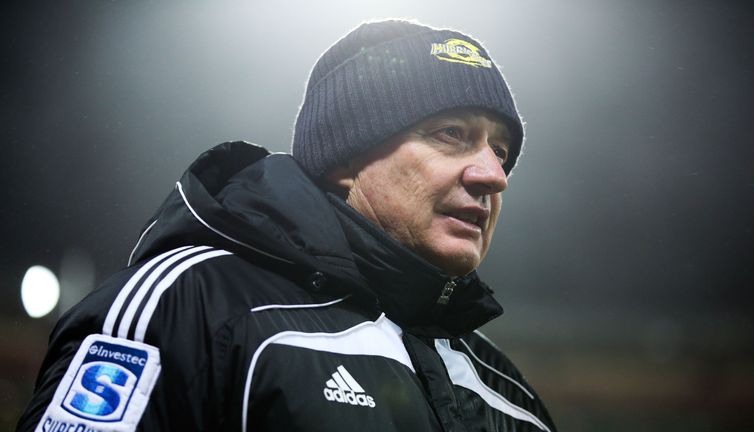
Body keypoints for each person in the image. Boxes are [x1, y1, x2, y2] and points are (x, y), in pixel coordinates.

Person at [17, 19, 557, 431]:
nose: (493, 175)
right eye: (450, 134)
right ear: (346, 159)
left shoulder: (509, 394)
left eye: (502, 152)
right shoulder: (190, 307)